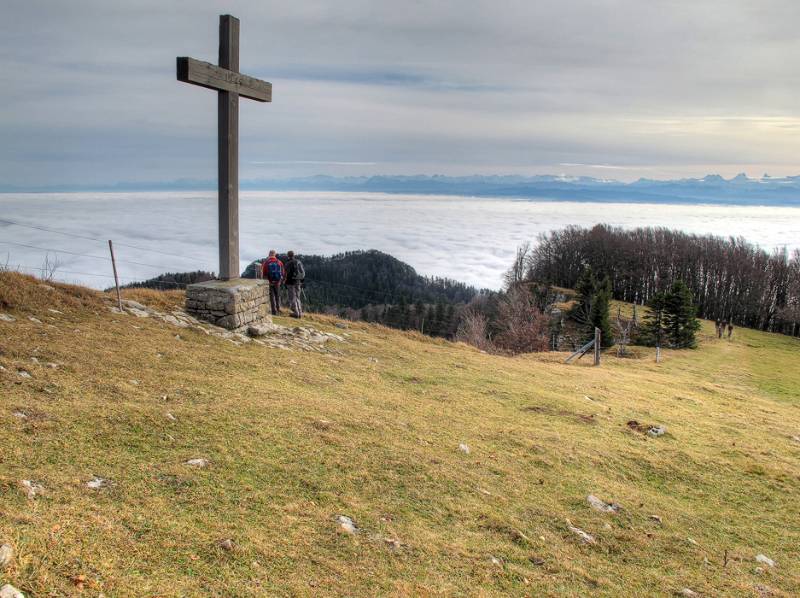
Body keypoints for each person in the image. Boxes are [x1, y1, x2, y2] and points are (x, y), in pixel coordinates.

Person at [261, 250, 284, 315]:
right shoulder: (279, 262)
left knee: (272, 296)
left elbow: (264, 272)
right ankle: (278, 309)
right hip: (277, 282)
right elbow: (282, 272)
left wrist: (266, 280)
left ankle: (274, 311)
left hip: (269, 281)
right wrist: (280, 280)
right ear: (275, 254)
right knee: (277, 295)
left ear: (269, 254)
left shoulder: (266, 262)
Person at [284, 250, 305, 318]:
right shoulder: (299, 262)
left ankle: (296, 313)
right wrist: (301, 281)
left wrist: (285, 282)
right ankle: (300, 313)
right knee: (297, 297)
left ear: (288, 256)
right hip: (298, 282)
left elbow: (285, 274)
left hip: (290, 282)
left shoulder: (287, 263)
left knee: (292, 298)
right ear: (294, 255)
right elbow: (303, 273)